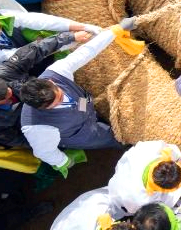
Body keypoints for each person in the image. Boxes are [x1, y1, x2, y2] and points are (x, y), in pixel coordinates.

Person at [20, 24, 128, 174]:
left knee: (92, 111)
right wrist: (63, 161)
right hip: (81, 133)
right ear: (40, 108)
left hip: (85, 106)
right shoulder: (35, 128)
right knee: (112, 137)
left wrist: (115, 31)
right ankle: (125, 144)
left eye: (59, 95)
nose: (61, 100)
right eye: (54, 104)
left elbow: (86, 52)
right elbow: (43, 152)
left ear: (51, 82)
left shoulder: (56, 72)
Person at [0, 32, 78, 147]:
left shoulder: (2, 73)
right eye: (4, 95)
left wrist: (68, 37)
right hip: (47, 122)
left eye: (5, 87)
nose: (10, 91)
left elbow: (31, 51)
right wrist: (52, 141)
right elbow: (18, 140)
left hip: (50, 91)